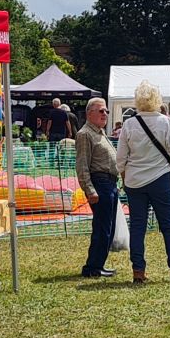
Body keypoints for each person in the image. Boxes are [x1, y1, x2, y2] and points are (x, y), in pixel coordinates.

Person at [116, 81, 170, 283]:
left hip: (134, 181)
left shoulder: (129, 124)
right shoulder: (165, 122)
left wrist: (125, 175)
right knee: (168, 225)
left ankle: (138, 272)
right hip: (160, 178)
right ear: (157, 100)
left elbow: (120, 158)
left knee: (137, 227)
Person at [74, 97, 118, 279]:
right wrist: (89, 189)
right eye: (101, 111)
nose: (105, 114)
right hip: (100, 184)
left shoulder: (99, 132)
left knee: (108, 227)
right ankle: (93, 267)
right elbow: (82, 165)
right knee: (102, 228)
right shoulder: (85, 134)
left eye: (106, 111)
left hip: (110, 184)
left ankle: (97, 264)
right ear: (89, 113)